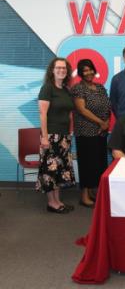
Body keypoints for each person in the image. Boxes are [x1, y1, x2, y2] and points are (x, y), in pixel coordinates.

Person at [36, 57, 76, 214]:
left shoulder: (66, 89)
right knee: (50, 170)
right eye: (58, 67)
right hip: (51, 136)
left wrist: (70, 132)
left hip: (64, 137)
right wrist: (44, 137)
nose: (61, 70)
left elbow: (69, 113)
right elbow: (42, 114)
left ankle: (58, 201)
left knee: (59, 170)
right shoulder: (47, 88)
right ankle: (52, 203)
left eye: (64, 68)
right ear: (52, 70)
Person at [71, 59, 111, 208]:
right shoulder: (78, 88)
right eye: (85, 70)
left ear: (94, 70)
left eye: (90, 69)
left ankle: (94, 192)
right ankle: (84, 195)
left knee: (99, 163)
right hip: (85, 133)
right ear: (81, 73)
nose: (88, 73)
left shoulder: (100, 87)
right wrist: (101, 122)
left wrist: (105, 122)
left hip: (101, 133)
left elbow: (107, 105)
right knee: (87, 164)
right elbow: (82, 109)